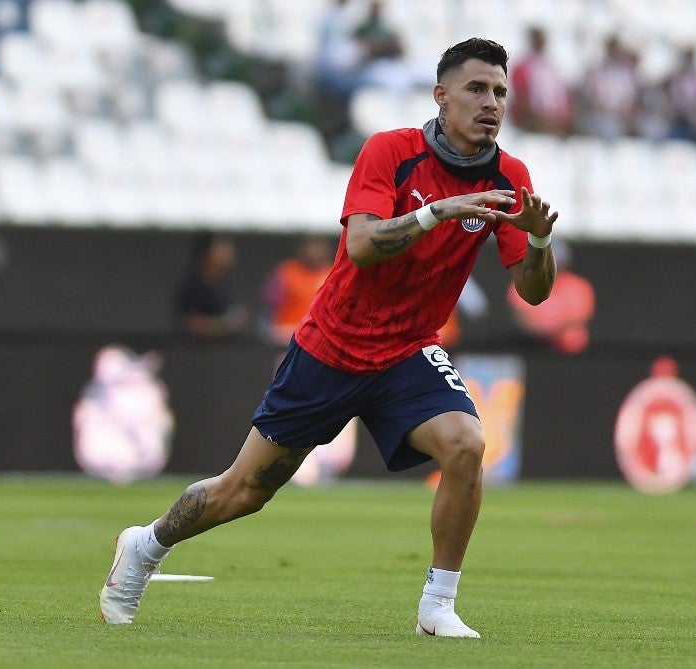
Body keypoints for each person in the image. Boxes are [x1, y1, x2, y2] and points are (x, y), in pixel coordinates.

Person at [100, 38, 558, 639]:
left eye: (500, 91)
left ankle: (437, 606)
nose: (491, 103)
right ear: (441, 96)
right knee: (242, 493)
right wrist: (442, 211)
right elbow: (364, 246)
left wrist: (541, 241)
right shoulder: (389, 152)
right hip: (332, 348)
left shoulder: (510, 176)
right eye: (476, 89)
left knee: (468, 443)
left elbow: (535, 292)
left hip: (409, 351)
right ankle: (146, 544)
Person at [507, 239, 595, 354]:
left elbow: (578, 319)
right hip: (532, 342)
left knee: (575, 338)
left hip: (568, 346)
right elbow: (522, 317)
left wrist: (550, 329)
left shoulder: (578, 286)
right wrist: (539, 330)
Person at [261, 234, 335, 345]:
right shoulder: (287, 271)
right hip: (287, 334)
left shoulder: (333, 274)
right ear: (302, 249)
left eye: (318, 246)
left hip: (321, 337)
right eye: (310, 246)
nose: (314, 251)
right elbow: (269, 307)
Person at [176, 234, 249, 339]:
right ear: (208, 252)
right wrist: (224, 324)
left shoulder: (224, 282)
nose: (228, 250)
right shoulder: (194, 284)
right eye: (220, 245)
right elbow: (189, 322)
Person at [509, 26, 574, 136]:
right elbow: (521, 98)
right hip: (530, 116)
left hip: (550, 117)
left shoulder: (550, 66)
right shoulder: (523, 66)